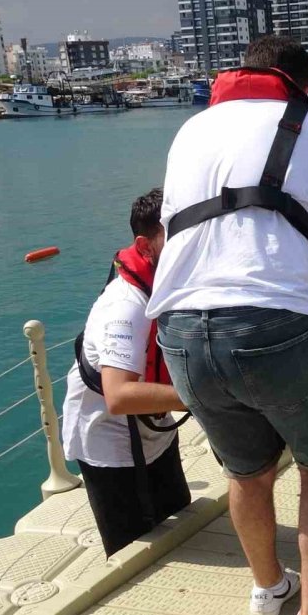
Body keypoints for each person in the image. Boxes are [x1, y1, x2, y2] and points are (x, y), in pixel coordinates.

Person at [147, 36, 308, 615]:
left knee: (247, 473)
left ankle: (268, 588)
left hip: (182, 329)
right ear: (302, 84)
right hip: (276, 323)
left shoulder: (191, 129)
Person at [61, 188, 191, 558]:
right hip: (111, 448)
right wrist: (206, 397)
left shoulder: (168, 287)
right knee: (135, 554)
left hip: (155, 433)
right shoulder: (125, 307)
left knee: (181, 530)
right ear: (144, 245)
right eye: (175, 237)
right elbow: (118, 396)